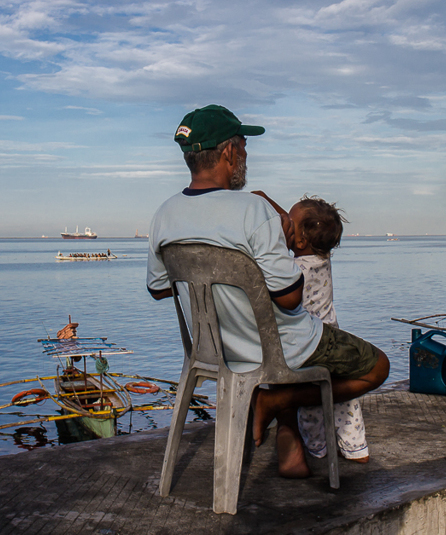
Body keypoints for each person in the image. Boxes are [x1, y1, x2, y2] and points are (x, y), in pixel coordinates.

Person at [146, 105, 389, 479]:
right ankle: (278, 398)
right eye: (243, 145)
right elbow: (291, 299)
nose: (245, 154)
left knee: (286, 348)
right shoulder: (253, 210)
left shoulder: (164, 214)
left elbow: (160, 291)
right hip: (279, 347)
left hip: (219, 351)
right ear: (229, 152)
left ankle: (282, 424)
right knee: (378, 366)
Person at [252, 192, 370, 464]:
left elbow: (279, 255)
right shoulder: (323, 258)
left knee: (310, 405)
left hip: (307, 344)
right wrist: (271, 202)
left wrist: (263, 206)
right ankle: (356, 449)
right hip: (334, 340)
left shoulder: (293, 268)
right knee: (346, 401)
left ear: (300, 239)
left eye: (290, 224)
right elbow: (300, 228)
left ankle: (318, 450)